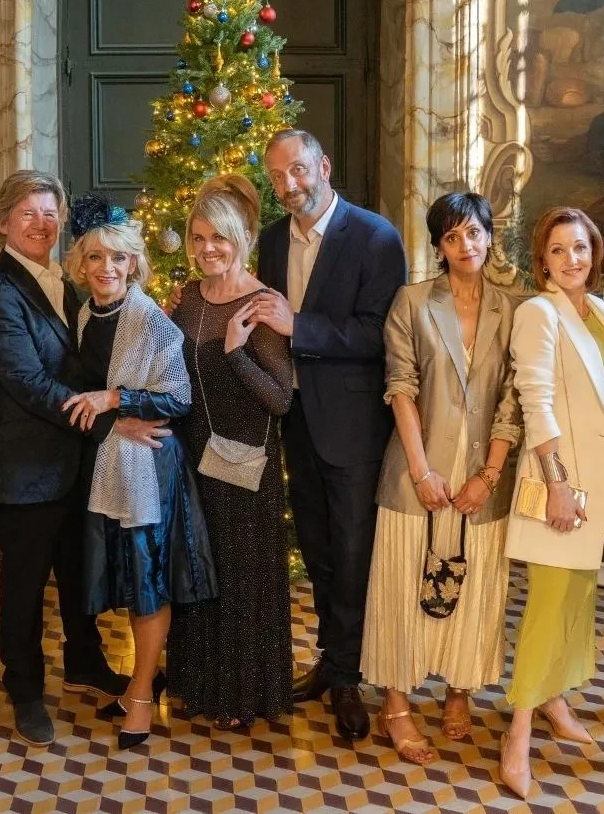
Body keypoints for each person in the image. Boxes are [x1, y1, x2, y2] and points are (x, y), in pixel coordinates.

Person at [0, 171, 141, 747]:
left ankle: (85, 662)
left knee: (78, 574)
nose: (41, 224)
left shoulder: (68, 283)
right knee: (23, 589)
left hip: (78, 462)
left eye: (50, 213)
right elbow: (28, 382)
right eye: (28, 214)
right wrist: (112, 413)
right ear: (3, 224)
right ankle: (25, 691)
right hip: (27, 470)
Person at [250, 129, 408, 740]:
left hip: (353, 429)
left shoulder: (374, 236)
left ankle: (347, 675)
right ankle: (331, 659)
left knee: (351, 554)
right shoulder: (268, 241)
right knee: (316, 552)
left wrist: (301, 327)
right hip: (293, 426)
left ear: (325, 164)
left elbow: (379, 334)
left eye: (298, 171)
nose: (289, 187)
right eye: (278, 178)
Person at [361, 192, 522, 765]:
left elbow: (513, 398)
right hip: (415, 471)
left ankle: (459, 689)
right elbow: (399, 387)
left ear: (488, 236)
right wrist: (421, 468)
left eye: (473, 233)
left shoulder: (512, 308)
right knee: (401, 587)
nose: (465, 246)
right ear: (438, 246)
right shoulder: (410, 303)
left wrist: (489, 474)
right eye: (451, 237)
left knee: (476, 586)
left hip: (483, 476)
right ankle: (397, 705)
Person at [57, 194, 216, 751]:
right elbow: (86, 406)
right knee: (129, 579)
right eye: (96, 257)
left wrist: (115, 399)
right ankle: (141, 681)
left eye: (118, 259)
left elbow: (179, 398)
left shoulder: (150, 322)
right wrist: (111, 419)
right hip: (108, 466)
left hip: (148, 470)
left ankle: (143, 693)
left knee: (148, 582)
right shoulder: (83, 315)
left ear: (134, 265)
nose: (106, 269)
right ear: (82, 263)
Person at [498, 206, 604, 798]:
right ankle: (518, 732)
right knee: (547, 606)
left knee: (578, 597)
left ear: (594, 252)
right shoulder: (538, 311)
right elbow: (536, 399)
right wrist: (555, 482)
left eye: (581, 248)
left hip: (595, 487)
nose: (572, 259)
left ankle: (553, 699)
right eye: (559, 250)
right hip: (561, 482)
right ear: (541, 258)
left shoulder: (596, 309)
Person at [168, 175, 296, 730]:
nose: (206, 249)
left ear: (242, 236)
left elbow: (282, 399)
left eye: (218, 238)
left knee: (244, 582)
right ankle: (197, 686)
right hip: (193, 459)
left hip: (246, 466)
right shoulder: (189, 298)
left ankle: (244, 695)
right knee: (199, 574)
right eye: (197, 239)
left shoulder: (263, 304)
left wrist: (238, 355)